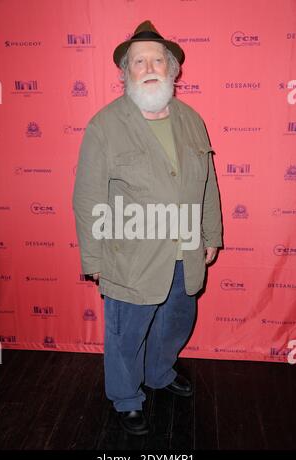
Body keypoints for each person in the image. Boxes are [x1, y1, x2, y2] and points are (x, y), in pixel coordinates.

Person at [72, 20, 223, 436]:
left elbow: (207, 180)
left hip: (185, 249)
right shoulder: (105, 125)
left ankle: (159, 372)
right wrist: (95, 257)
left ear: (173, 69)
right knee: (127, 334)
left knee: (176, 321)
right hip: (130, 256)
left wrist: (212, 234)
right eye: (139, 61)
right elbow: (88, 197)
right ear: (126, 72)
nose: (150, 66)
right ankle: (126, 397)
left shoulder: (192, 119)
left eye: (159, 59)